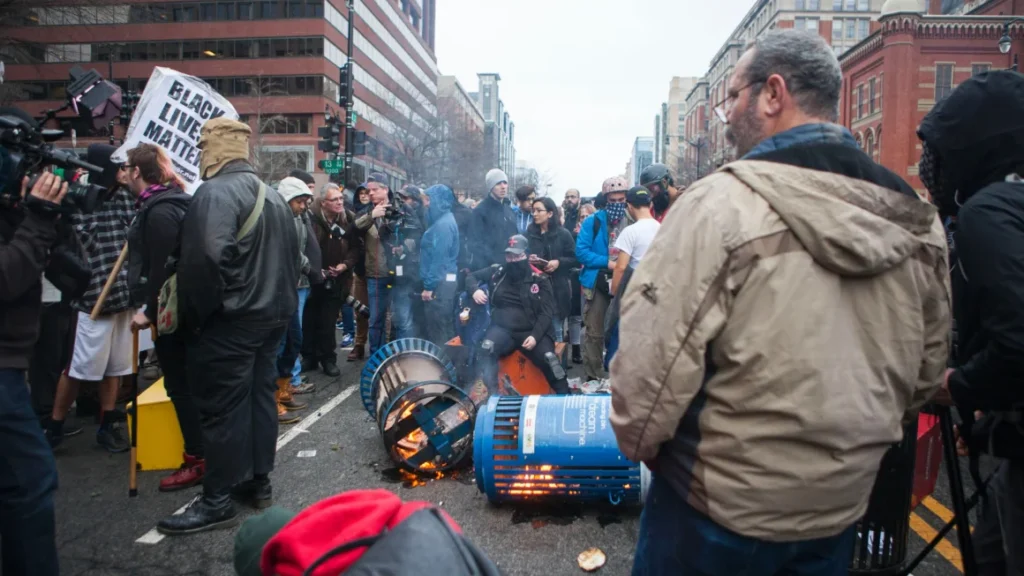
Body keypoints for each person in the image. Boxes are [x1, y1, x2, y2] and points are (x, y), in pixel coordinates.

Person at [610, 29, 951, 575]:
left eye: (732, 98)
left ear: (772, 94)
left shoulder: (718, 204)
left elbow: (650, 372)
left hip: (713, 513)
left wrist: (641, 446)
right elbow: (925, 371)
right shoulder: (913, 217)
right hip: (836, 512)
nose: (725, 118)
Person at [159, 117, 299, 535]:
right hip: (271, 316)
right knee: (258, 400)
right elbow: (294, 259)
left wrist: (198, 319)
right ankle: (257, 480)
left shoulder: (215, 193)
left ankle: (217, 499)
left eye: (203, 145)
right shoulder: (272, 196)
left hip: (233, 319)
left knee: (221, 408)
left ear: (214, 149)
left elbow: (202, 263)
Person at [917, 70, 1024, 576]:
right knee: (988, 556)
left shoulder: (989, 211)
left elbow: (1018, 343)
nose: (929, 167)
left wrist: (959, 383)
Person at [123, 143, 205, 491]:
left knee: (181, 387)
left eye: (127, 168)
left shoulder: (160, 211)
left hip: (174, 315)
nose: (123, 175)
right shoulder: (165, 204)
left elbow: (165, 270)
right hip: (181, 311)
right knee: (188, 385)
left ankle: (198, 458)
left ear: (138, 172)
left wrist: (150, 312)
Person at [46, 143, 136, 452]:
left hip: (123, 297)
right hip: (92, 300)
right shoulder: (81, 199)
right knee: (77, 369)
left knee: (115, 368)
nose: (125, 173)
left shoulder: (128, 197)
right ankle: (54, 427)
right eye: (120, 168)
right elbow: (77, 243)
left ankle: (106, 424)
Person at [0, 169, 68, 576]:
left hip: (14, 362)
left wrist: (46, 220)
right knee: (29, 484)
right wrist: (37, 219)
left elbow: (68, 266)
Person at [469, 235, 568, 395]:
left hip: (533, 330)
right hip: (503, 330)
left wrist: (535, 336)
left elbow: (546, 312)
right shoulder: (498, 272)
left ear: (526, 255)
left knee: (550, 361)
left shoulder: (540, 279)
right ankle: (494, 396)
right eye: (509, 256)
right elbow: (471, 276)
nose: (513, 260)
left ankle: (565, 399)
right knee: (485, 351)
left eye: (517, 255)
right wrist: (475, 290)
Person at [575, 176, 628, 381]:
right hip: (598, 281)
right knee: (594, 331)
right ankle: (593, 375)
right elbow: (581, 252)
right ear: (605, 200)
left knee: (624, 330)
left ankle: (622, 376)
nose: (617, 205)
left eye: (621, 200)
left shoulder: (632, 220)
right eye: (612, 201)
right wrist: (608, 263)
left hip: (626, 282)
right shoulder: (592, 222)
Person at [302, 182, 356, 378]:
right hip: (312, 277)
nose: (340, 202)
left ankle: (328, 359)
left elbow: (355, 248)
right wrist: (315, 270)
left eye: (341, 198)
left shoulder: (348, 218)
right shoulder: (309, 218)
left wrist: (345, 265)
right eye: (335, 200)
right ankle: (308, 356)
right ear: (323, 202)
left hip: (338, 280)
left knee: (328, 322)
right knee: (308, 320)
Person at [274, 177, 315, 425]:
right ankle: (272, 399)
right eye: (299, 201)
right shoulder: (277, 218)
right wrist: (308, 266)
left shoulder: (298, 217)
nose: (302, 206)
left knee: (294, 340)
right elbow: (288, 249)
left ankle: (283, 388)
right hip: (278, 289)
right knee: (278, 345)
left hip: (293, 285)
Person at [605, 186, 659, 370]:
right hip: (658, 289)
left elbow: (620, 267)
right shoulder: (663, 228)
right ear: (650, 204)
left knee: (620, 334)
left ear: (629, 206)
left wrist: (614, 293)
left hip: (635, 289)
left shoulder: (631, 231)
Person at [354, 173, 399, 355]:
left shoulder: (399, 208)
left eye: (375, 189)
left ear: (385, 189)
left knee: (399, 319)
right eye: (368, 190)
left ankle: (396, 354)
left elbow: (414, 234)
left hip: (399, 274)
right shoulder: (365, 212)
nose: (370, 193)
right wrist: (372, 216)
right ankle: (377, 357)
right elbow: (354, 229)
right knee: (376, 319)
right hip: (376, 274)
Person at [526, 197, 577, 343]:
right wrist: (529, 259)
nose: (535, 214)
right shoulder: (529, 234)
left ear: (550, 213)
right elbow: (521, 255)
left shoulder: (563, 234)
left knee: (556, 330)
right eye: (533, 210)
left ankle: (559, 364)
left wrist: (558, 262)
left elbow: (575, 258)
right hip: (534, 288)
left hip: (557, 288)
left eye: (539, 210)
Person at [419, 185, 460, 346]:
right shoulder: (442, 221)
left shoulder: (443, 225)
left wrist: (429, 286)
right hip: (443, 283)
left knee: (439, 330)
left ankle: (444, 366)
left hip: (440, 286)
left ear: (439, 202)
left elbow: (439, 259)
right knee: (442, 328)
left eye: (429, 200)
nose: (426, 204)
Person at [470, 169, 517, 268]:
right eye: (498, 183)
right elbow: (476, 242)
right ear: (491, 187)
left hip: (510, 265)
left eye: (505, 183)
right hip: (489, 267)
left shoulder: (509, 210)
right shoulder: (480, 211)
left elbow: (515, 237)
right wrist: (493, 261)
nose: (503, 187)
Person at [348, 184, 371, 361]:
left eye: (366, 193)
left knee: (382, 313)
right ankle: (359, 344)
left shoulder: (378, 213)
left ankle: (381, 345)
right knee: (360, 310)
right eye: (361, 193)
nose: (364, 196)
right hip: (360, 269)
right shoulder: (352, 213)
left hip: (377, 269)